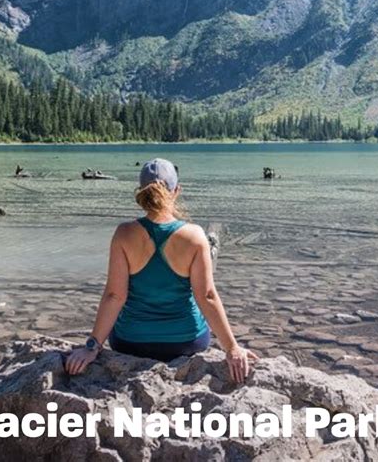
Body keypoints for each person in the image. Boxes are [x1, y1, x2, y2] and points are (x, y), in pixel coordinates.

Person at [66, 158, 257, 382]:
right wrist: (232, 348)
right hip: (186, 343)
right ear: (176, 191)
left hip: (131, 343)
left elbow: (114, 296)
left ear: (141, 193)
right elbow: (206, 296)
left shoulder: (124, 234)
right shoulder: (195, 236)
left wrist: (92, 346)